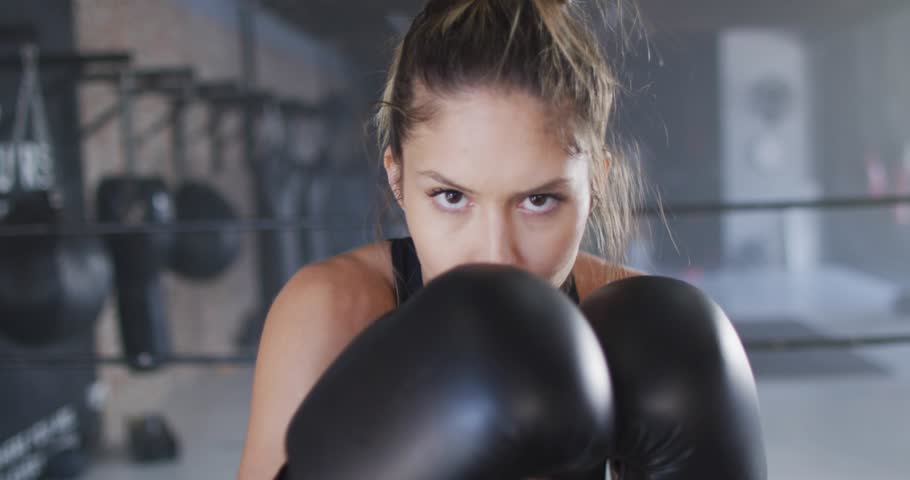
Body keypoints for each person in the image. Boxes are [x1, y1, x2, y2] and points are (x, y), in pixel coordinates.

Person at [238, 1, 765, 479]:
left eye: (538, 200)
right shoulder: (332, 311)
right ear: (396, 177)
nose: (495, 256)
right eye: (451, 196)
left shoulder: (642, 334)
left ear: (596, 182)